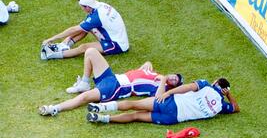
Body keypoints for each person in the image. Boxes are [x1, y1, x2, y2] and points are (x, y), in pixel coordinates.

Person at [38, 49, 184, 116]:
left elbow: (158, 98)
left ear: (172, 86)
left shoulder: (161, 86)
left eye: (174, 81)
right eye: (174, 76)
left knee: (84, 98)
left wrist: (164, 79)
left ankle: (54, 108)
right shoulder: (155, 74)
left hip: (115, 87)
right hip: (112, 77)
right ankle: (84, 82)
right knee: (90, 52)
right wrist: (147, 64)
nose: (173, 78)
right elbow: (145, 65)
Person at [86, 77, 240, 125]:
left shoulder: (206, 86)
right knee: (136, 116)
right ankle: (102, 119)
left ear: (216, 84)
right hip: (173, 118)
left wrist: (168, 93)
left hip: (171, 103)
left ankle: (101, 107)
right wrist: (229, 95)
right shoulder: (220, 107)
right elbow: (236, 108)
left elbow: (186, 87)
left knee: (135, 104)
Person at [41, 0, 129, 60]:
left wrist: (51, 38)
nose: (81, 9)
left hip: (117, 44)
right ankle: (62, 45)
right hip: (116, 36)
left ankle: (51, 55)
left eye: (82, 7)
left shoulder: (96, 17)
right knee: (84, 28)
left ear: (87, 7)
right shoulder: (99, 5)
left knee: (84, 47)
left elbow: (74, 29)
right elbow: (81, 27)